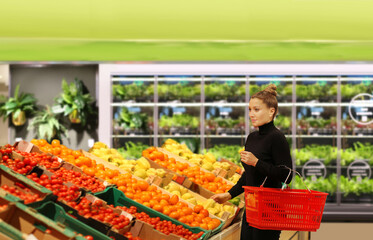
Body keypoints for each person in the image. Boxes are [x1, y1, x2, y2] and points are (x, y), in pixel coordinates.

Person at [210, 84, 293, 240]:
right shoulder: (252, 138)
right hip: (252, 209)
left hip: (270, 212)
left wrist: (257, 162)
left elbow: (287, 175)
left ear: (271, 111)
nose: (251, 114)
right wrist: (228, 195)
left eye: (256, 109)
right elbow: (249, 176)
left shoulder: (277, 138)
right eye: (249, 110)